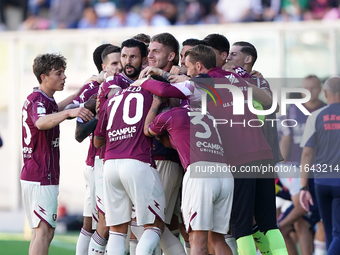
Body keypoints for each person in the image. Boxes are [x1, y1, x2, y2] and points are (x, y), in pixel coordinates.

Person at [20, 53, 93, 255]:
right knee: (44, 232)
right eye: (58, 73)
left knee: (42, 232)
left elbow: (58, 109)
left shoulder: (45, 100)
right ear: (44, 76)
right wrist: (70, 113)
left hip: (36, 174)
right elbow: (42, 122)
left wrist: (81, 92)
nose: (64, 77)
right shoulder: (37, 100)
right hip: (40, 174)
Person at [93, 84, 166, 255]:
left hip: (110, 165)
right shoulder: (151, 92)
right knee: (155, 226)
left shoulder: (112, 97)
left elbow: (97, 141)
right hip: (137, 161)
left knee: (116, 231)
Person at [300, 76, 340, 254]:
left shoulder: (315, 116)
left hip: (321, 183)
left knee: (331, 231)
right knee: (338, 234)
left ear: (325, 93)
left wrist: (303, 187)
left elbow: (307, 154)